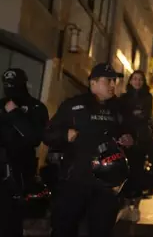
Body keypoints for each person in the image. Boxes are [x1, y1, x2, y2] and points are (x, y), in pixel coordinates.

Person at [45, 63, 134, 237]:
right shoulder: (73, 105)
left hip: (106, 184)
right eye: (108, 80)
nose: (112, 85)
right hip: (75, 180)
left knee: (101, 230)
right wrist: (65, 134)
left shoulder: (120, 108)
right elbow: (48, 134)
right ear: (93, 83)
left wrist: (130, 138)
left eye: (114, 81)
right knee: (64, 228)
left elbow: (134, 133)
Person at [0, 68, 48, 237]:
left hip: (17, 174)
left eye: (14, 84)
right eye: (7, 85)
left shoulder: (36, 107)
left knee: (9, 223)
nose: (10, 88)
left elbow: (34, 138)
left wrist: (14, 113)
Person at [119, 70, 153, 199]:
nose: (137, 82)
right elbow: (123, 116)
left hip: (141, 137)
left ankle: (135, 199)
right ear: (130, 81)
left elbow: (146, 114)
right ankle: (125, 196)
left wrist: (134, 115)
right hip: (126, 135)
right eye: (135, 79)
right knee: (125, 167)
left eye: (140, 79)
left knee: (138, 167)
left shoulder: (147, 97)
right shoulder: (124, 97)